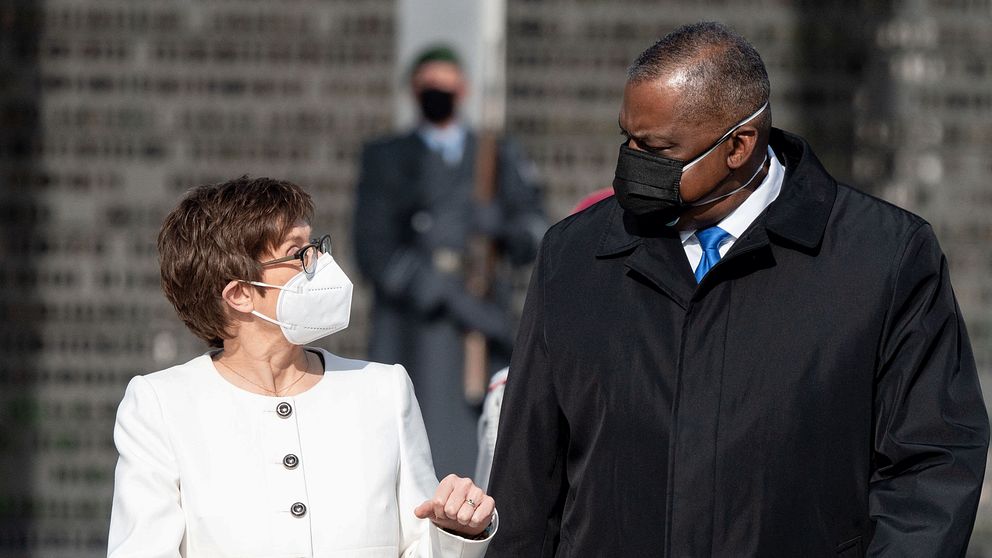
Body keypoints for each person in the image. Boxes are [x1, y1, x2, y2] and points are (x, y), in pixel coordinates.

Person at [487, 22, 988, 557]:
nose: (633, 162)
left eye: (655, 148)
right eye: (627, 139)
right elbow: (527, 474)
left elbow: (930, 467)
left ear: (739, 145)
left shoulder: (884, 257)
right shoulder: (574, 256)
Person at [108, 176, 497, 557]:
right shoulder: (162, 405)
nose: (320, 263)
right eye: (299, 253)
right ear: (240, 293)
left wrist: (455, 533)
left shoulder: (384, 390)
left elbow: (419, 544)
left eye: (315, 246)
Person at [353, 45, 546, 477]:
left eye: (447, 85)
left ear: (464, 90)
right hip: (416, 328)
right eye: (429, 86)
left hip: (483, 323)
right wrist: (443, 293)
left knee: (484, 451)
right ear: (413, 91)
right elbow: (374, 249)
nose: (439, 94)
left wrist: (501, 227)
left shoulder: (497, 155)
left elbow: (535, 232)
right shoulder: (386, 156)